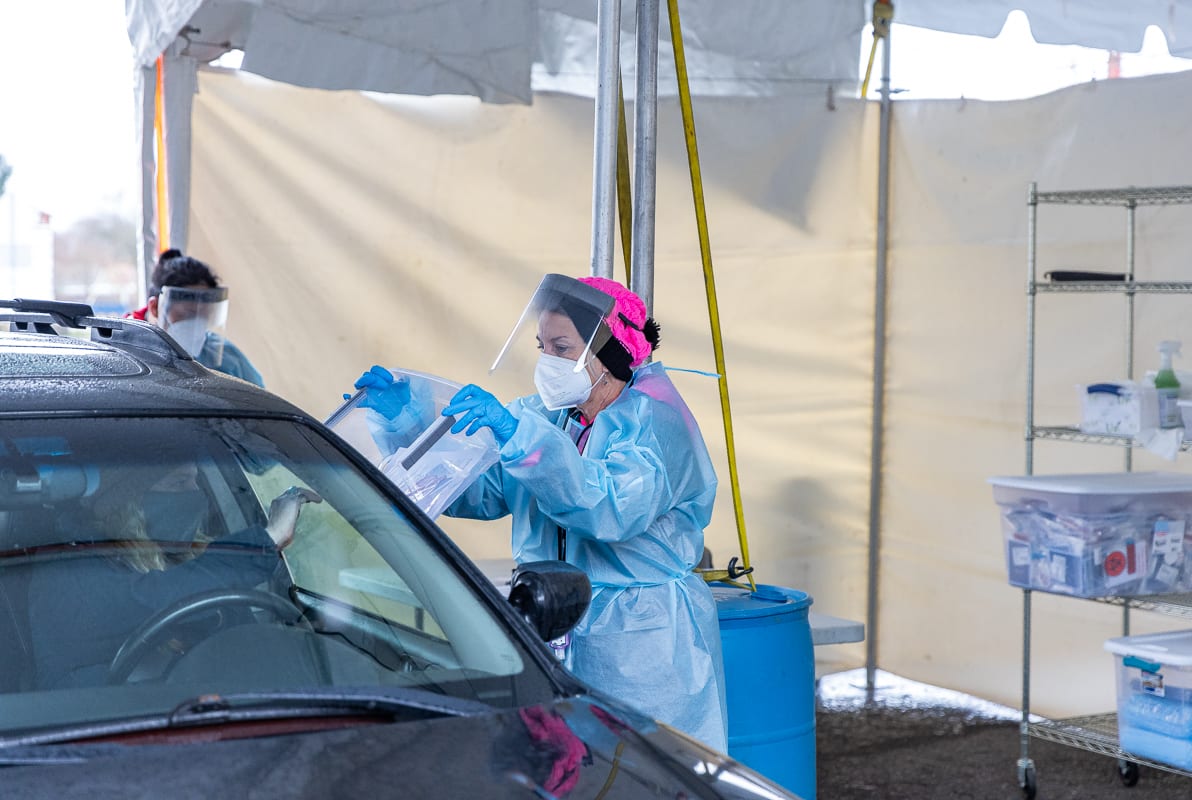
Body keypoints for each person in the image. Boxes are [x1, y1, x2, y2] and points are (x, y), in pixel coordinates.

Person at [351, 274, 727, 752]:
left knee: (644, 768)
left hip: (640, 639)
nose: (547, 360)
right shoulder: (551, 415)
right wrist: (407, 423)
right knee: (563, 763)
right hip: (551, 622)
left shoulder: (656, 422)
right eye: (542, 346)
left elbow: (608, 507)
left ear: (611, 354)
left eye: (562, 347)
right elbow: (478, 491)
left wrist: (518, 438)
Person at [27, 463, 319, 688]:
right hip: (96, 735)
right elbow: (153, 597)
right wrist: (267, 540)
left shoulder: (188, 557)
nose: (196, 493)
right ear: (130, 500)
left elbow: (246, 648)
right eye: (179, 482)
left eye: (197, 481)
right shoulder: (69, 569)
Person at [128, 249, 265, 387]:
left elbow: (261, 400)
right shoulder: (124, 349)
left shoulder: (226, 357)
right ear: (155, 308)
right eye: (188, 314)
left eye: (204, 315)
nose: (196, 324)